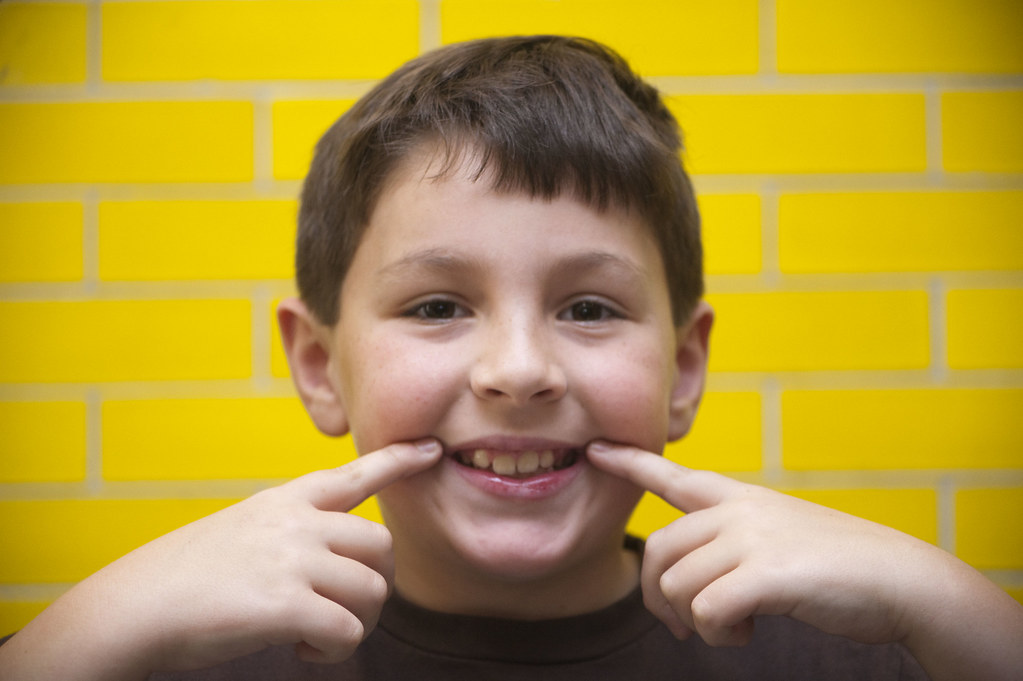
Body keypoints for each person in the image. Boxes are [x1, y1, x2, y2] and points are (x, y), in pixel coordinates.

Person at [1, 35, 1021, 681]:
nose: (520, 369)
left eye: (588, 307)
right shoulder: (169, 661)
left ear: (685, 368)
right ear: (319, 365)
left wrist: (956, 608)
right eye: (439, 306)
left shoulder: (867, 658)